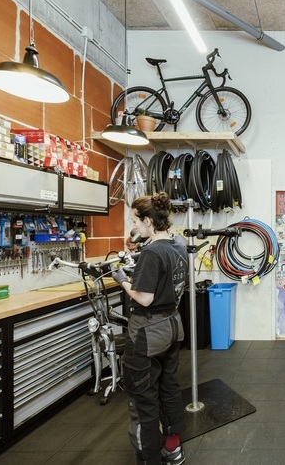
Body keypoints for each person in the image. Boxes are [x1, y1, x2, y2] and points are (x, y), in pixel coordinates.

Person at [111, 191, 189, 465]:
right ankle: (173, 448)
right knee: (168, 388)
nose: (133, 227)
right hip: (171, 327)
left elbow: (144, 297)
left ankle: (149, 458)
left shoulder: (152, 252)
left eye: (135, 221)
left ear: (148, 221)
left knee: (143, 398)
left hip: (146, 334)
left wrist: (122, 279)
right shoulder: (180, 246)